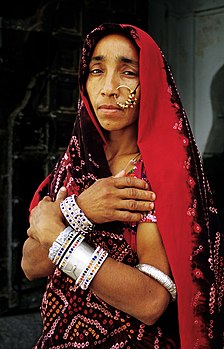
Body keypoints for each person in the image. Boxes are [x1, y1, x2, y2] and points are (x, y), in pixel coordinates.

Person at [21, 23, 224, 349]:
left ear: (152, 85)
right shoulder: (73, 165)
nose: (109, 87)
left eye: (128, 73)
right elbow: (30, 265)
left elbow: (150, 302)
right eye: (96, 70)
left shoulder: (159, 177)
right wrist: (81, 210)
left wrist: (58, 232)